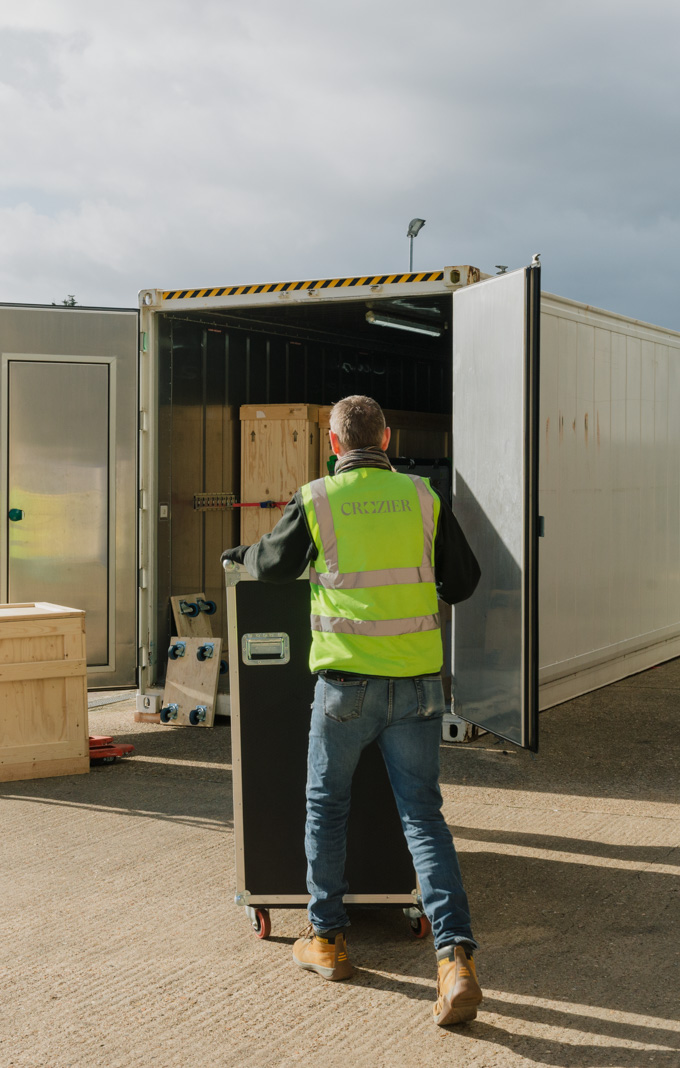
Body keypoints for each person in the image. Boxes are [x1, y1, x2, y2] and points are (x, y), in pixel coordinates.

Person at [220, 394, 485, 1027]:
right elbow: (464, 581)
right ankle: (455, 960)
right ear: (386, 438)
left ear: (334, 444)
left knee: (326, 806)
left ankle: (328, 940)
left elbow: (275, 565)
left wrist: (241, 557)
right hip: (418, 685)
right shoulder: (423, 497)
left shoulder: (316, 500)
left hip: (345, 690)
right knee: (423, 817)